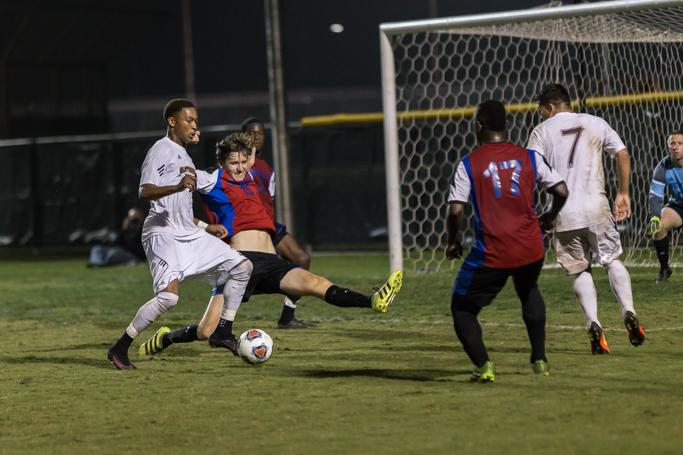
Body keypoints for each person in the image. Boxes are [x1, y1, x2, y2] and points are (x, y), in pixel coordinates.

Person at [138, 132, 403, 358]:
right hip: (240, 263)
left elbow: (250, 155)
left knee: (315, 283)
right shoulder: (211, 179)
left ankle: (374, 301)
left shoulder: (252, 178)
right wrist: (204, 226)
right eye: (234, 163)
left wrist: (247, 146)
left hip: (272, 264)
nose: (240, 168)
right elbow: (176, 200)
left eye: (244, 161)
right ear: (221, 162)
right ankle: (166, 338)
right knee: (207, 331)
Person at [106, 99, 253, 370]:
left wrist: (205, 227)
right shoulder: (160, 149)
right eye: (189, 119)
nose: (194, 125)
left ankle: (223, 332)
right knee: (169, 298)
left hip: (187, 233)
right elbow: (145, 192)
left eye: (196, 120)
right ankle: (120, 347)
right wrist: (175, 187)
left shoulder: (184, 155)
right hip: (161, 233)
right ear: (172, 121)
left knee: (242, 267)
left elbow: (181, 208)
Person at [446, 100, 568, 383]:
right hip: (530, 246)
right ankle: (539, 359)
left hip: (494, 251)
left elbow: (455, 211)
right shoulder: (529, 157)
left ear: (479, 126)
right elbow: (561, 190)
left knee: (462, 308)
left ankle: (484, 366)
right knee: (528, 289)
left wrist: (453, 241)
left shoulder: (468, 164)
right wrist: (549, 217)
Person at [527, 83, 646, 355]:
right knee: (611, 259)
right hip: (597, 207)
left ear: (550, 107)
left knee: (580, 269)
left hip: (563, 211)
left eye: (542, 110)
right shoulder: (595, 122)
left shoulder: (541, 131)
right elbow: (623, 153)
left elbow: (531, 167)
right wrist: (624, 193)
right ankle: (629, 312)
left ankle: (594, 324)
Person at [241, 117, 313, 329]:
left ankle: (287, 317)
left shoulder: (266, 167)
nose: (256, 137)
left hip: (270, 224)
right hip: (249, 228)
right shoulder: (237, 163)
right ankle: (219, 319)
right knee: (247, 279)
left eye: (260, 133)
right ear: (242, 135)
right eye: (251, 133)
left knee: (302, 257)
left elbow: (270, 199)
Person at [648, 130, 683, 283]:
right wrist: (654, 217)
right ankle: (664, 269)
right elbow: (655, 197)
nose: (675, 147)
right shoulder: (663, 167)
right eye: (672, 144)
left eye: (680, 143)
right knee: (657, 226)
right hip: (677, 207)